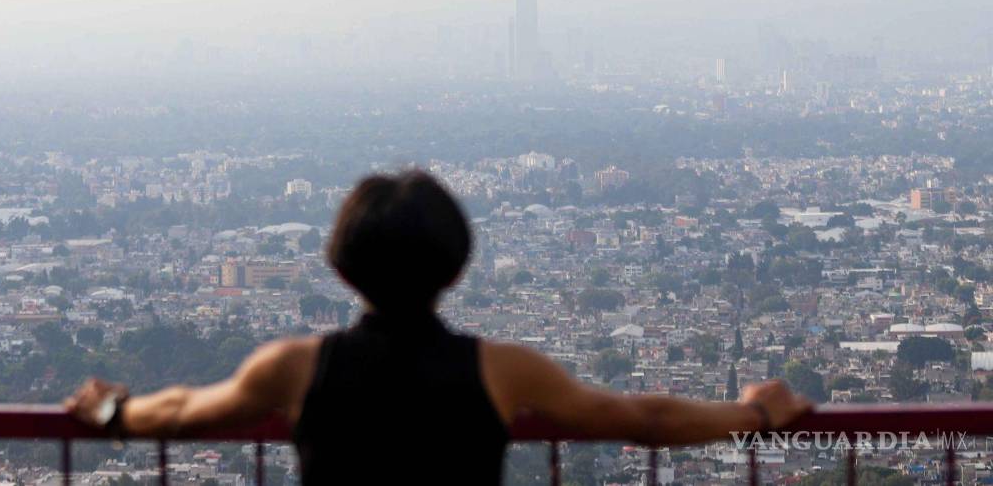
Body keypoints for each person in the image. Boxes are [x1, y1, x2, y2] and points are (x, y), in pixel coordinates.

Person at [68, 171, 811, 484]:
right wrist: (755, 413)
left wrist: (106, 409)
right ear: (455, 267)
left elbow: (182, 412)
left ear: (341, 266)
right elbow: (637, 416)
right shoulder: (503, 369)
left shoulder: (294, 367)